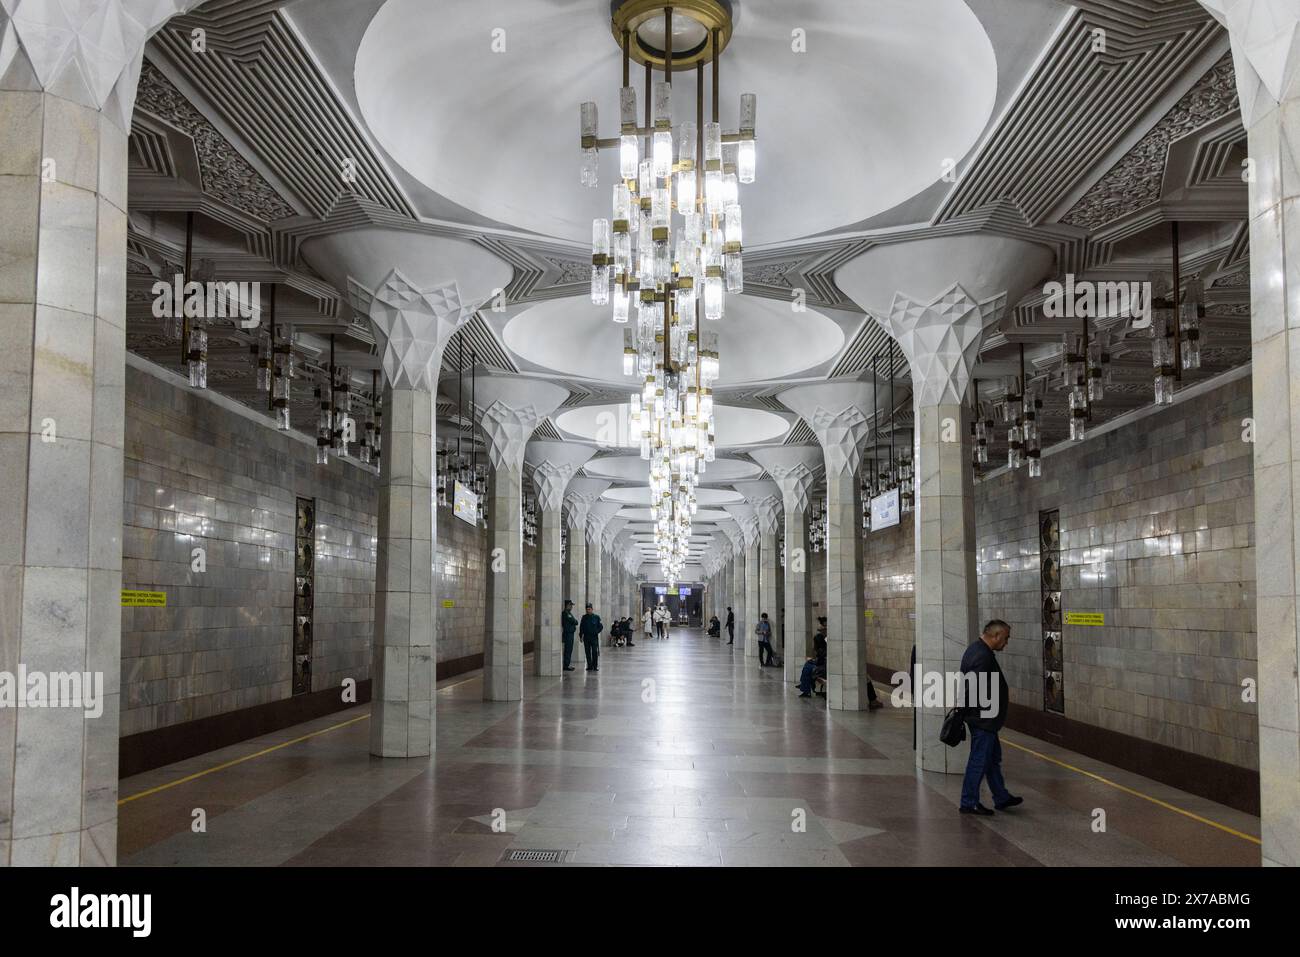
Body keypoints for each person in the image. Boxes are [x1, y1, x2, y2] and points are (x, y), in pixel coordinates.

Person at [958, 619, 1022, 816]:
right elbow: (972, 689)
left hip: (984, 719)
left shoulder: (976, 649)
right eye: (1006, 638)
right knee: (979, 760)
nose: (1006, 642)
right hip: (983, 720)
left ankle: (1001, 797)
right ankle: (968, 802)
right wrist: (979, 715)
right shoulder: (982, 655)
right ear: (995, 636)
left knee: (992, 760)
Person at [798, 617, 829, 697]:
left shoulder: (831, 638)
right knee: (807, 665)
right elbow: (818, 651)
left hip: (826, 664)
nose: (823, 630)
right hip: (821, 661)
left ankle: (804, 687)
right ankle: (804, 686)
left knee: (808, 668)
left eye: (824, 628)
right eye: (822, 628)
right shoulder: (818, 638)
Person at [579, 603, 603, 673]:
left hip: (594, 637)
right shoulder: (584, 617)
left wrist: (597, 631)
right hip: (586, 637)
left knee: (595, 652)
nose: (588, 610)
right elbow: (581, 627)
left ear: (592, 609)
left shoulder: (596, 617)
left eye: (589, 609)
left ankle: (595, 666)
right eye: (587, 609)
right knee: (587, 652)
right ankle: (589, 666)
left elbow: (601, 626)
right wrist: (581, 636)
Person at [561, 599, 579, 672]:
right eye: (570, 605)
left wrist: (574, 622)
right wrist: (574, 622)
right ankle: (566, 665)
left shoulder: (569, 613)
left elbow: (576, 622)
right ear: (567, 605)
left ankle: (567, 664)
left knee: (570, 649)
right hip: (568, 634)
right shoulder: (565, 613)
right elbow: (574, 621)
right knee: (568, 650)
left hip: (570, 634)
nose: (572, 606)